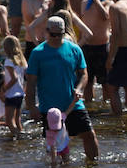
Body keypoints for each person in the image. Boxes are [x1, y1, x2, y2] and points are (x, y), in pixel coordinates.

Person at [26, 16, 98, 160]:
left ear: (64, 33)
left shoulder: (74, 49)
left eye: (59, 35)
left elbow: (84, 74)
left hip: (73, 103)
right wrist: (31, 106)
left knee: (89, 134)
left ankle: (93, 167)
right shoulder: (38, 53)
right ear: (46, 32)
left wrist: (80, 88)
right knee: (55, 146)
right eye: (53, 35)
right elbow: (31, 82)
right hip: (50, 109)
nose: (56, 38)